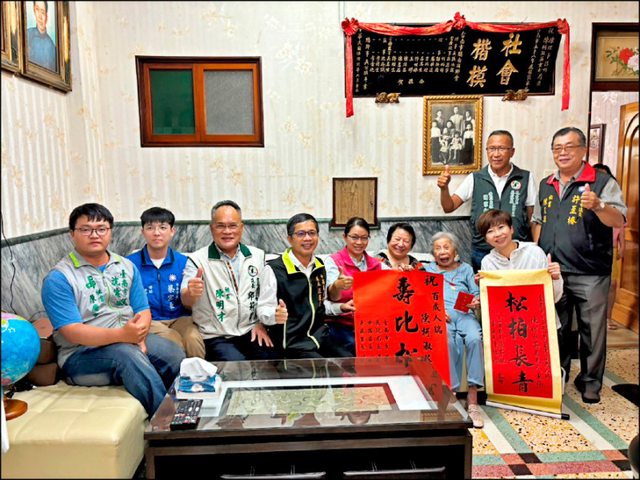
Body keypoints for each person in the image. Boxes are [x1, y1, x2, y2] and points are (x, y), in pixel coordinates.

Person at [41, 203, 185, 417]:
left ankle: (187, 410)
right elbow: (72, 332)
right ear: (72, 234)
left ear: (110, 232)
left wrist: (139, 336)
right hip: (81, 355)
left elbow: (143, 310)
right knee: (126, 355)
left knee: (172, 352)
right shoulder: (59, 278)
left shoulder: (125, 266)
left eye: (101, 229)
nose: (94, 235)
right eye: (86, 229)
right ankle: (166, 421)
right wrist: (123, 336)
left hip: (127, 340)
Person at [532, 127, 627, 404]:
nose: (562, 153)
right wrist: (539, 255)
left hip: (590, 271)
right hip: (554, 270)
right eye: (557, 148)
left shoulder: (601, 182)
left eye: (569, 147)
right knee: (557, 329)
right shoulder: (546, 183)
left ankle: (590, 383)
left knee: (592, 331)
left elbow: (619, 219)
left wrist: (598, 206)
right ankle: (559, 377)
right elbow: (538, 220)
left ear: (583, 150)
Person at [180, 200, 287, 361]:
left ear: (241, 228)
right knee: (236, 366)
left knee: (272, 359)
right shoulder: (197, 260)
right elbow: (185, 300)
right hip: (216, 335)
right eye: (220, 226)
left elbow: (265, 298)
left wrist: (264, 321)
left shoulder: (257, 256)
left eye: (232, 226)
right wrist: (191, 292)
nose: (227, 231)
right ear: (212, 228)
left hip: (251, 330)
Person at [437, 129, 537, 272]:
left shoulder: (525, 177)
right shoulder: (475, 178)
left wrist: (535, 247)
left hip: (517, 251)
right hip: (483, 251)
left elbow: (533, 218)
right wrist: (444, 188)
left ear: (512, 152)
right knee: (485, 287)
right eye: (492, 149)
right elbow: (449, 207)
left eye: (501, 148)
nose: (496, 154)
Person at [262, 213, 351, 358]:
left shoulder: (319, 266)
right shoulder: (274, 269)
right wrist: (274, 315)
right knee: (320, 368)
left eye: (312, 233)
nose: (307, 238)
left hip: (319, 337)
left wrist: (341, 307)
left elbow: (320, 306)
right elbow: (262, 309)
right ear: (290, 239)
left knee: (349, 362)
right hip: (292, 344)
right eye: (301, 234)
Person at [423, 232, 484, 428]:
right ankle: (452, 394)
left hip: (465, 314)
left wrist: (476, 301)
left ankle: (472, 400)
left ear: (455, 249)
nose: (442, 252)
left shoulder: (466, 269)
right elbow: (421, 296)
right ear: (433, 253)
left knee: (475, 339)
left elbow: (476, 293)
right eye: (438, 248)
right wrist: (436, 311)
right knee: (447, 341)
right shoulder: (427, 270)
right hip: (441, 316)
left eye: (446, 247)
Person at [127, 207, 205, 358]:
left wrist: (192, 292)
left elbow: (189, 302)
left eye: (162, 228)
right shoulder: (130, 264)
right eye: (150, 228)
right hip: (150, 320)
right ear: (142, 232)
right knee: (172, 340)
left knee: (193, 339)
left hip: (180, 318)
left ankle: (200, 372)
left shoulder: (185, 262)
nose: (157, 233)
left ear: (172, 231)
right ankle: (178, 373)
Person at [477, 209, 564, 327]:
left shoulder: (534, 252)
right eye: (490, 231)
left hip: (539, 322)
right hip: (510, 326)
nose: (497, 234)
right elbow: (495, 304)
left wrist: (555, 278)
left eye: (501, 227)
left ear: (511, 229)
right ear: (486, 239)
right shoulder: (487, 262)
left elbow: (554, 298)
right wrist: (482, 293)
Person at [325, 217, 385, 356]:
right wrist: (338, 286)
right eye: (354, 237)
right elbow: (332, 297)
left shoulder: (376, 264)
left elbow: (395, 280)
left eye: (364, 238)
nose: (359, 242)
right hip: (340, 323)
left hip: (370, 325)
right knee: (354, 345)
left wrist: (405, 272)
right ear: (345, 237)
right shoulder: (333, 261)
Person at [592, 163, 625, 330]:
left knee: (611, 284)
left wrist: (622, 245)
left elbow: (621, 223)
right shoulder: (586, 196)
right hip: (591, 246)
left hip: (610, 247)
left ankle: (608, 317)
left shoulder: (613, 198)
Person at [27, 1, 57, 71]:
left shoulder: (52, 47)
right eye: (37, 10)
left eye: (43, 12)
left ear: (46, 17)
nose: (40, 17)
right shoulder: (27, 35)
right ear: (34, 11)